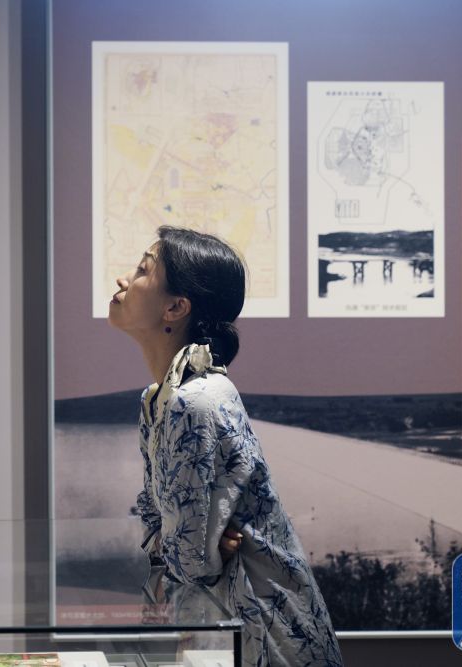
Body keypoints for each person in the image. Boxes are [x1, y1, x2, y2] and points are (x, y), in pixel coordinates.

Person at [108, 226, 343, 667]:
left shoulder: (196, 400)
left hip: (264, 632)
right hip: (222, 624)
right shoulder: (158, 398)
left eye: (142, 270)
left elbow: (190, 560)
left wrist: (194, 547)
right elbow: (157, 524)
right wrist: (197, 543)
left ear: (176, 307)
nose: (123, 279)